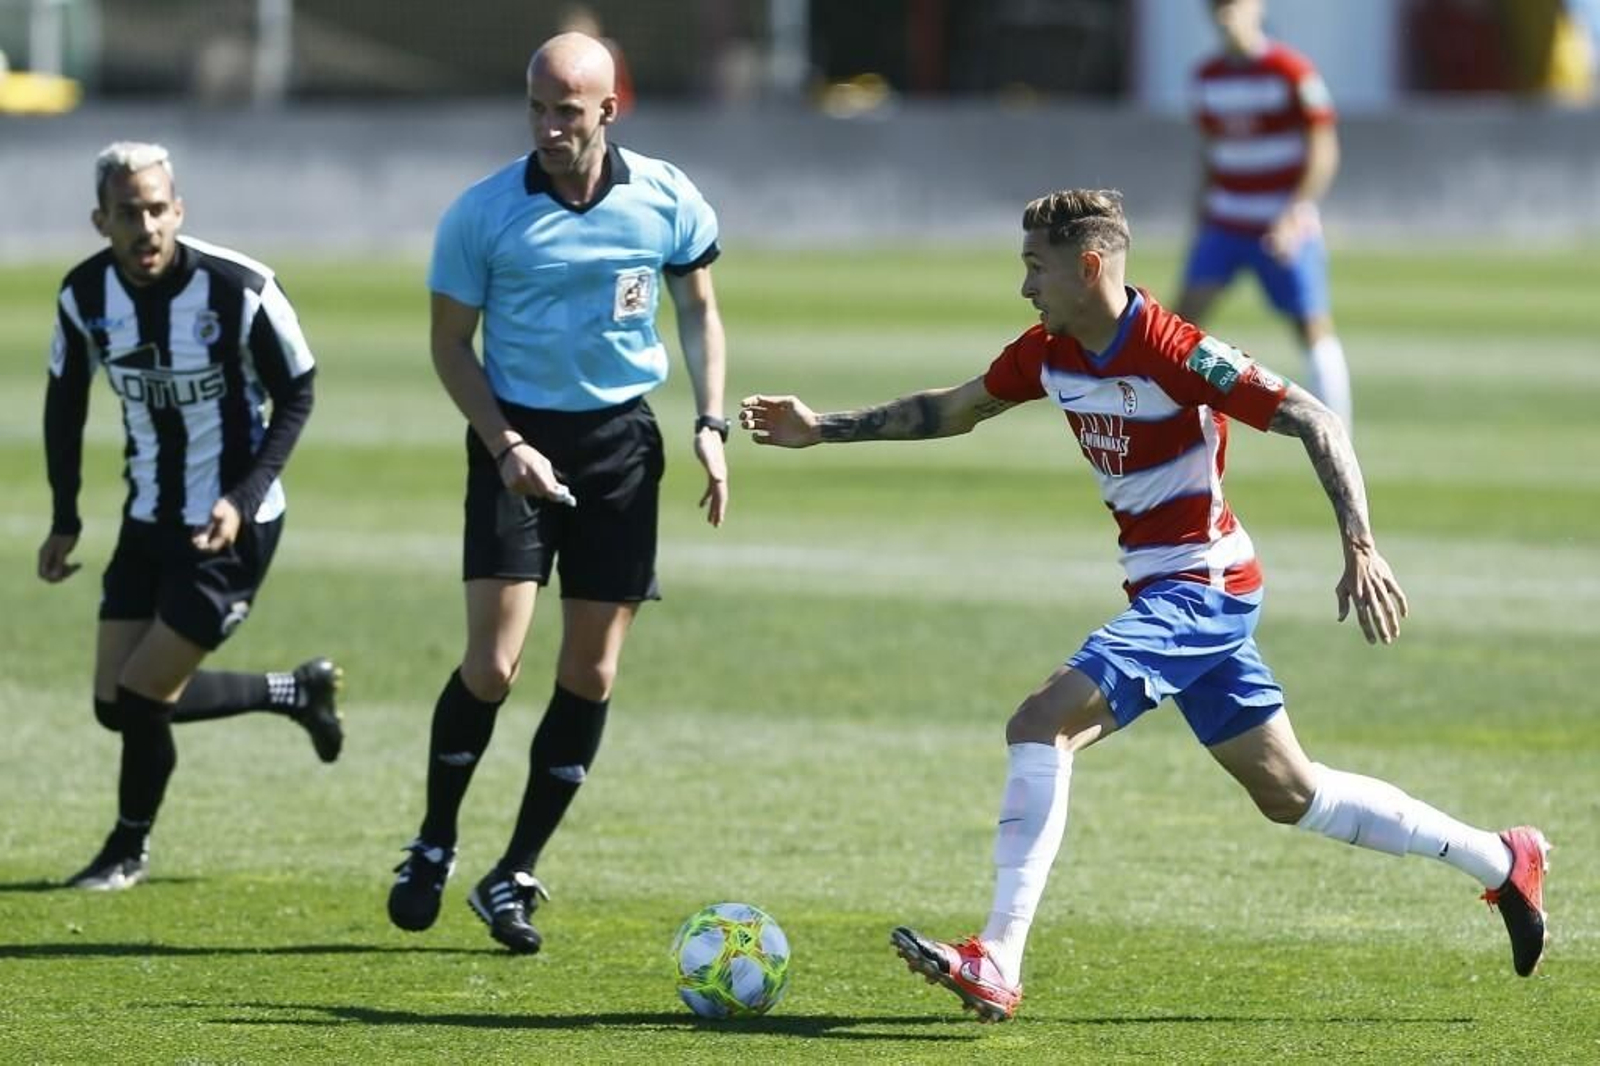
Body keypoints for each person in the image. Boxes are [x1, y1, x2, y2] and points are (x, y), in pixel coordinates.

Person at [739, 189, 1548, 1022]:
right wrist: (821, 428)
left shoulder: (1175, 349)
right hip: (1170, 591)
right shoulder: (1047, 352)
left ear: (1089, 267)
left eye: (1035, 269)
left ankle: (998, 958)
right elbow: (952, 409)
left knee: (1039, 723)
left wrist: (1361, 543)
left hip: (1203, 589)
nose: (1025, 288)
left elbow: (1314, 417)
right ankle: (1501, 860)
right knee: (1289, 792)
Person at [385, 31, 730, 955]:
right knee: (494, 666)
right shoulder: (482, 213)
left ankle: (514, 872)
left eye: (565, 111)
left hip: (621, 444)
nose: (547, 127)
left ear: (609, 110)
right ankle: (432, 840)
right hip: (515, 441)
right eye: (536, 108)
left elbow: (697, 307)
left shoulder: (665, 196)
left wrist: (710, 422)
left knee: (591, 671)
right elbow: (451, 345)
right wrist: (505, 445)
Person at [39, 141, 343, 892]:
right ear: (100, 220)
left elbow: (298, 392)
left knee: (143, 698)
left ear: (178, 210)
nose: (144, 227)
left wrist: (240, 499)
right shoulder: (83, 298)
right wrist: (65, 516)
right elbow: (63, 404)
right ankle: (295, 691)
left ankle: (126, 850)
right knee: (116, 703)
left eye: (155, 209)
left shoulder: (241, 290)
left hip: (230, 526)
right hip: (147, 517)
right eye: (126, 214)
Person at [1175, 0, 1352, 430]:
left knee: (1311, 326)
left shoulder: (1290, 71)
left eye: (1233, 5)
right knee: (1180, 327)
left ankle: (1337, 429)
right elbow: (1211, 154)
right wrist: (1200, 216)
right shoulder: (1206, 77)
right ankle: (1181, 414)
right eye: (1216, 7)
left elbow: (1323, 150)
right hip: (1225, 221)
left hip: (1279, 225)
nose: (1224, 15)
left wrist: (1295, 213)